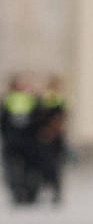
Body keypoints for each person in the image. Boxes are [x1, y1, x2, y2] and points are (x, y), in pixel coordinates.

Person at [3, 75, 42, 206]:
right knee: (28, 168)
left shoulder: (7, 100)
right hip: (27, 141)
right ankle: (28, 193)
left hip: (13, 140)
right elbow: (39, 119)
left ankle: (20, 192)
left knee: (16, 169)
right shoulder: (31, 100)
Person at [32, 76, 69, 207]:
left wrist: (50, 132)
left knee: (52, 166)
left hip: (52, 138)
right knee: (51, 166)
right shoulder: (53, 98)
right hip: (49, 138)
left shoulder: (53, 99)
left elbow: (59, 119)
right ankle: (52, 190)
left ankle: (54, 190)